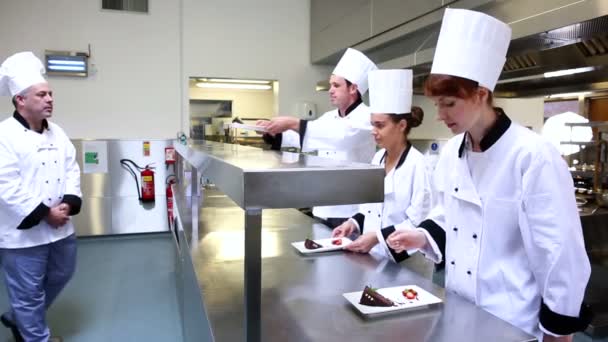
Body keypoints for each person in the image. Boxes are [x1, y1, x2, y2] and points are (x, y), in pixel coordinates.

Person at [385, 9, 592, 341]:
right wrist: (422, 236)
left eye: (449, 103)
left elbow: (558, 250)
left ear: (481, 95)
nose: (441, 115)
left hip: (511, 321)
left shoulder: (532, 155)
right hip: (457, 308)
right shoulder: (452, 152)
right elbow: (448, 214)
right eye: (437, 104)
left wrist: (558, 330)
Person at [0, 51, 82, 342]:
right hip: (22, 234)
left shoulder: (57, 133)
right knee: (28, 292)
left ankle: (17, 318)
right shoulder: (4, 135)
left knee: (62, 274)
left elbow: (71, 168)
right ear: (20, 100)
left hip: (61, 227)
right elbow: (5, 184)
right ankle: (35, 337)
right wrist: (45, 213)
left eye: (50, 94)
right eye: (41, 94)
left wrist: (68, 204)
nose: (49, 99)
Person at [257, 48, 377, 228]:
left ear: (353, 89)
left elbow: (340, 138)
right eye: (330, 85)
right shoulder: (328, 117)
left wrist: (293, 122)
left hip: (350, 214)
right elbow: (304, 139)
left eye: (336, 86)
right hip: (322, 208)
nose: (330, 91)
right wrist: (272, 131)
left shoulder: (368, 117)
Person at [331, 69, 431, 263]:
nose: (373, 132)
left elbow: (418, 222)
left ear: (401, 125)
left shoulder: (419, 165)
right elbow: (370, 208)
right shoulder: (377, 158)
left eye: (380, 125)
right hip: (373, 257)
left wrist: (377, 237)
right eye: (372, 125)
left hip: (405, 262)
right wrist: (352, 223)